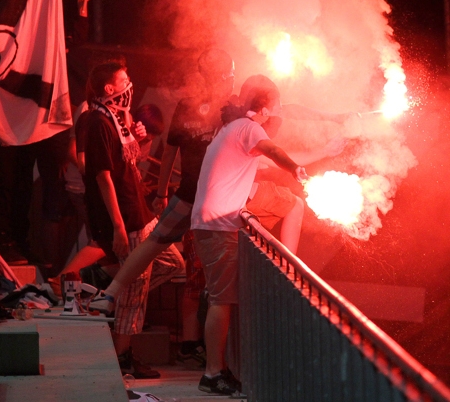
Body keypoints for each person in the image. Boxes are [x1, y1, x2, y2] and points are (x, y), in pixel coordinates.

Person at [191, 76, 346, 396]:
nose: (279, 113)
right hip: (216, 226)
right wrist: (293, 168)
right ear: (263, 109)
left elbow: (266, 156)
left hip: (215, 223)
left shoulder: (233, 127)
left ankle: (284, 269)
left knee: (222, 298)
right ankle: (212, 374)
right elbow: (273, 150)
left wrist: (323, 145)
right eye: (275, 107)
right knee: (221, 301)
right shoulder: (250, 129)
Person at [89, 47, 235, 354]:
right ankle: (211, 363)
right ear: (223, 75)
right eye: (229, 73)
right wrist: (162, 191)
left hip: (193, 195)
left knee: (162, 250)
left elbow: (165, 151)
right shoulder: (221, 107)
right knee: (213, 283)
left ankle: (111, 289)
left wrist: (163, 189)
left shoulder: (208, 106)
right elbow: (168, 150)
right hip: (211, 200)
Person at [83, 62, 183, 379]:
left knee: (172, 264)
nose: (129, 85)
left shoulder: (116, 117)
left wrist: (138, 138)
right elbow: (103, 177)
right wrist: (117, 227)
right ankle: (122, 356)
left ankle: (110, 298)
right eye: (123, 81)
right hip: (127, 216)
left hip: (141, 211)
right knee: (135, 286)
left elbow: (129, 161)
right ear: (108, 88)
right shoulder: (96, 120)